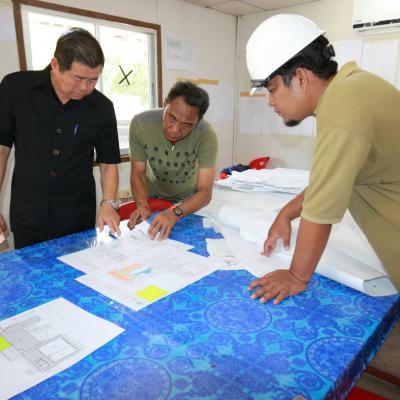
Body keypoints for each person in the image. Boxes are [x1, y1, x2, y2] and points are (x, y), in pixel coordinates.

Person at [245, 14, 400, 304]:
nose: (270, 101)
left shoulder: (345, 105)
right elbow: (329, 181)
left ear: (301, 78)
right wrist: (287, 213)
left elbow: (321, 209)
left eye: (272, 89)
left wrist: (296, 276)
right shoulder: (353, 89)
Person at [0, 28, 121, 249]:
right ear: (55, 64)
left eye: (93, 80)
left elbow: (108, 163)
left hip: (77, 217)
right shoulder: (16, 88)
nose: (85, 88)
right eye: (78, 78)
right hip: (29, 215)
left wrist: (108, 203)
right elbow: (1, 151)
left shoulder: (102, 107)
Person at [128, 81, 218, 240]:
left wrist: (175, 212)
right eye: (172, 118)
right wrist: (142, 206)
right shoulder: (140, 124)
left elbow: (205, 191)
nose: (175, 130)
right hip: (151, 197)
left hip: (187, 201)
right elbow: (138, 173)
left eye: (187, 125)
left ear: (197, 122)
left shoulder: (206, 134)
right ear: (165, 104)